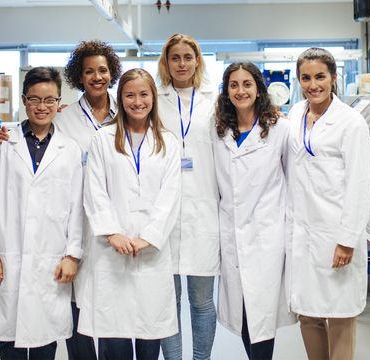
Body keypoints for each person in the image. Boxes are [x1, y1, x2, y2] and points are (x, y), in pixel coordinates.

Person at [0, 40, 122, 360]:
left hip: (116, 223)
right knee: (70, 310)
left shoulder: (127, 115)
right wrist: (1, 136)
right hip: (69, 229)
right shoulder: (63, 119)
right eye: (89, 71)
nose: (96, 77)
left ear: (112, 73)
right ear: (79, 76)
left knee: (114, 308)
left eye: (102, 70)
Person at [0, 66, 84, 359]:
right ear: (24, 100)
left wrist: (72, 255)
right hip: (10, 253)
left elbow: (76, 207)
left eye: (49, 100)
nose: (42, 107)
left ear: (59, 103)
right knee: (10, 337)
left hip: (52, 255)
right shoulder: (4, 144)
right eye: (35, 99)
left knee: (46, 336)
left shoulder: (68, 149)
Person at [79, 68, 181, 360]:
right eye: (130, 95)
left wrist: (147, 237)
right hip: (112, 251)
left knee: (149, 335)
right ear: (120, 98)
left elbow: (170, 195)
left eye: (144, 94)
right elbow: (94, 190)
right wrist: (112, 233)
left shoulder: (168, 142)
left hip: (150, 252)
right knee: (116, 338)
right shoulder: (102, 139)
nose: (137, 101)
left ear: (153, 98)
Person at [285, 47, 370, 360]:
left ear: (333, 78)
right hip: (303, 234)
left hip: (335, 234)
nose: (313, 84)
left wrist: (347, 240)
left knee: (339, 315)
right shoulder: (295, 114)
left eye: (320, 76)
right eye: (306, 78)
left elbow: (360, 186)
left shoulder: (351, 122)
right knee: (308, 314)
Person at [212, 62, 296, 360]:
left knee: (262, 313)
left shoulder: (279, 129)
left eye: (247, 84)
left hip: (266, 235)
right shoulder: (218, 130)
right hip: (232, 233)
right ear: (226, 91)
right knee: (245, 312)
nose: (240, 90)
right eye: (233, 85)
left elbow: (293, 181)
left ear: (258, 88)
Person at [156, 33, 219, 360]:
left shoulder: (214, 99)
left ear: (197, 60)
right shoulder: (154, 98)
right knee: (169, 302)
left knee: (202, 301)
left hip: (203, 209)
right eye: (174, 57)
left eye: (187, 57)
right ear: (166, 63)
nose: (181, 63)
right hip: (164, 212)